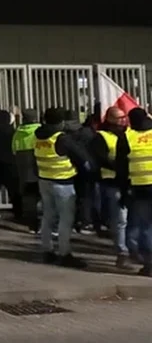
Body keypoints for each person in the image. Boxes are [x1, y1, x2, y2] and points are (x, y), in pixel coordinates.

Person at [34, 107, 91, 268]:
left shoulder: (38, 136)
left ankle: (47, 250)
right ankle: (64, 253)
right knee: (65, 220)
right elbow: (83, 159)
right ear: (61, 122)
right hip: (63, 183)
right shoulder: (62, 139)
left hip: (44, 181)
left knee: (47, 217)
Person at [92, 106, 130, 268]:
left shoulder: (130, 134)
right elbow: (100, 158)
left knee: (132, 219)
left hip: (131, 181)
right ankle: (122, 252)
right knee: (120, 220)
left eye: (124, 117)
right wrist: (120, 167)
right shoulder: (101, 137)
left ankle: (133, 249)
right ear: (110, 119)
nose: (123, 120)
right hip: (112, 182)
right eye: (119, 117)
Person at [119, 107, 152, 276]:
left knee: (146, 226)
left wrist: (123, 191)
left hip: (140, 187)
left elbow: (122, 168)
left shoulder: (127, 137)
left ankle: (150, 265)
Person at [12, 108, 41, 232]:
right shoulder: (39, 131)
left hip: (23, 169)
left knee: (29, 199)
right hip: (38, 167)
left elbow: (13, 149)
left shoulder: (18, 132)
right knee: (42, 197)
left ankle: (32, 225)